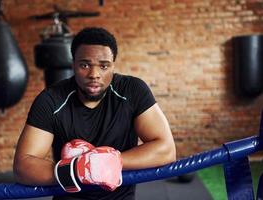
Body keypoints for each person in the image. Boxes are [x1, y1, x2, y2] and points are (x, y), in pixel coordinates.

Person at [13, 27, 176, 200]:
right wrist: (77, 169)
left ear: (113, 65)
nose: (94, 74)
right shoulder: (51, 100)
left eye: (104, 66)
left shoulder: (132, 91)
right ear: (73, 64)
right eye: (85, 65)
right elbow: (22, 166)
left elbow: (166, 150)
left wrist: (109, 161)